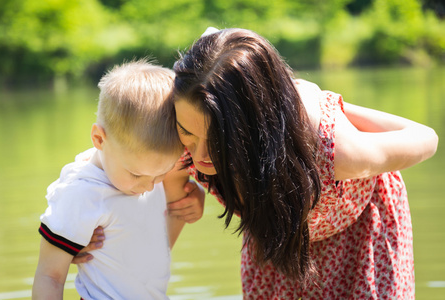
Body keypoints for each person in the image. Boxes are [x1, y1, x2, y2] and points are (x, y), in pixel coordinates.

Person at [169, 28, 438, 299]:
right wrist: (186, 190)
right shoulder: (179, 123)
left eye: (219, 141)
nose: (201, 155)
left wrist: (329, 104)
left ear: (255, 126)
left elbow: (428, 137)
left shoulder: (335, 151)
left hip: (358, 239)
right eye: (188, 133)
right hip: (278, 235)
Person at [32, 60, 205, 300]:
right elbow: (49, 276)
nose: (148, 186)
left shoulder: (146, 174)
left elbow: (156, 250)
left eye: (160, 174)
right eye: (137, 174)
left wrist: (186, 204)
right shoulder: (81, 192)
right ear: (99, 139)